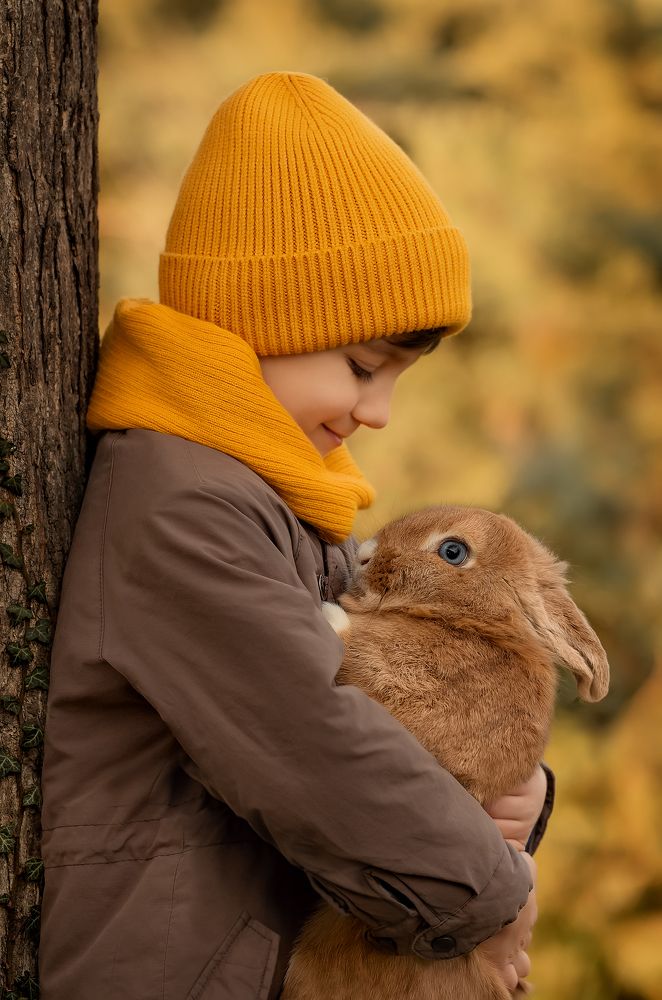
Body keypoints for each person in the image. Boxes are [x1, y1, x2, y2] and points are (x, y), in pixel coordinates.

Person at [39, 72, 553, 999]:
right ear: (262, 319)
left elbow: (392, 696)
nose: (380, 412)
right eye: (363, 367)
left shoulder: (268, 493)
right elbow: (314, 743)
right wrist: (493, 890)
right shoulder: (180, 505)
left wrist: (514, 785)